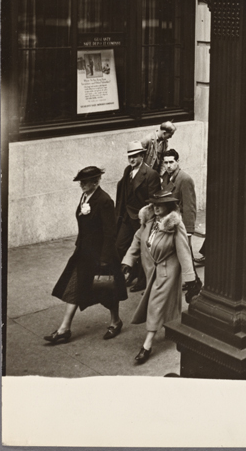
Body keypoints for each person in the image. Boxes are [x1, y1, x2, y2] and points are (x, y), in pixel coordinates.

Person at [45, 166, 128, 344]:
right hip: (84, 253)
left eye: (85, 182)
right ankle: (64, 329)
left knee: (107, 289)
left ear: (96, 182)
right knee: (75, 285)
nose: (81, 185)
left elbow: (109, 233)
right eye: (80, 182)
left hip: (101, 255)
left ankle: (115, 321)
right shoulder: (86, 196)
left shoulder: (104, 201)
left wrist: (105, 260)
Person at [121, 188, 197, 364]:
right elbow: (137, 240)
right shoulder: (148, 221)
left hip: (167, 270)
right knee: (162, 303)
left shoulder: (175, 225)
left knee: (155, 304)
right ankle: (172, 326)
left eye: (160, 205)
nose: (155, 207)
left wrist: (190, 278)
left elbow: (184, 252)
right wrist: (128, 261)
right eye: (154, 204)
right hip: (150, 270)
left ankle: (147, 345)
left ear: (168, 206)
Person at [115, 141, 162, 292]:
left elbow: (153, 199)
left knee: (143, 250)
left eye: (135, 156)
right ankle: (129, 273)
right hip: (127, 217)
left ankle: (141, 280)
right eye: (130, 156)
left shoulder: (150, 174)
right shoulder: (127, 170)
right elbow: (123, 194)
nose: (132, 160)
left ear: (142, 156)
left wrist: (147, 219)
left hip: (141, 219)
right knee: (119, 246)